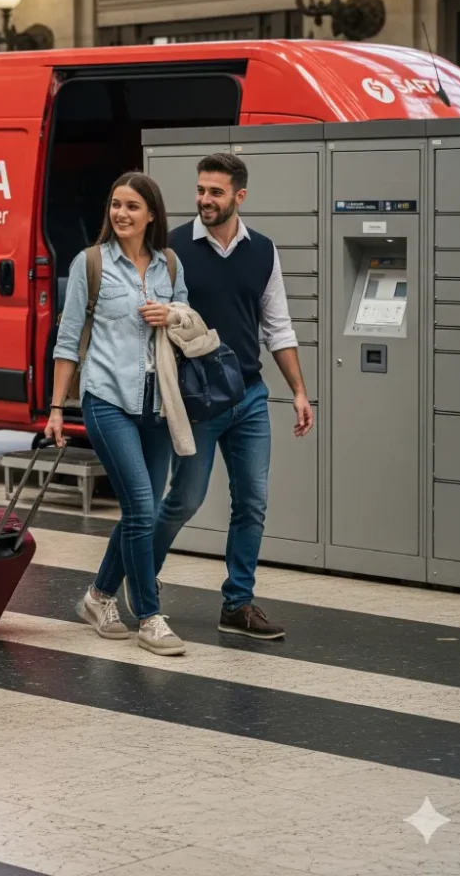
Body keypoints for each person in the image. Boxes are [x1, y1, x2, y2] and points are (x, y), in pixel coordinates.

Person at [153, 153, 314, 640]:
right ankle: (142, 580)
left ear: (239, 196)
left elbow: (277, 327)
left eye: (215, 192)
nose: (204, 199)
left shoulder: (262, 250)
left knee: (253, 501)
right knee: (184, 499)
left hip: (248, 395)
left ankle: (237, 604)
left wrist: (300, 393)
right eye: (201, 190)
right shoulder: (174, 247)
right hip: (198, 400)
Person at [47, 172, 189, 656]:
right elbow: (67, 341)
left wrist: (170, 315)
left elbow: (187, 319)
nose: (121, 214)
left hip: (158, 403)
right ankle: (150, 616)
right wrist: (55, 408)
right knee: (142, 509)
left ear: (152, 215)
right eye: (115, 205)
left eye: (132, 206)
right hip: (107, 398)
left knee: (139, 513)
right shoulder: (91, 264)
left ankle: (98, 596)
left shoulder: (170, 264)